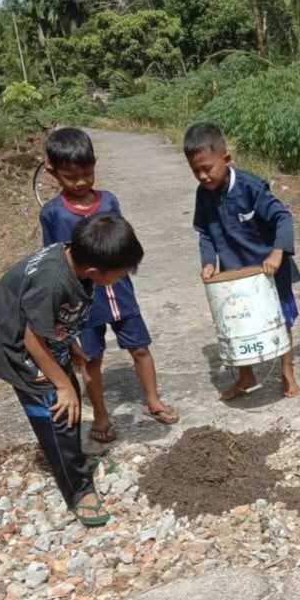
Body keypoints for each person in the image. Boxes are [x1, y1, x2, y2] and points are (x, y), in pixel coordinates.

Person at [0, 213, 143, 526]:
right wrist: (62, 385)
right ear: (96, 271)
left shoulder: (75, 260)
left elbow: (51, 318)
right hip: (19, 349)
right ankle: (78, 489)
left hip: (44, 340)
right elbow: (32, 338)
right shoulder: (53, 283)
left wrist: (68, 342)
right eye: (120, 274)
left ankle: (75, 460)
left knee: (69, 397)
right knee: (58, 412)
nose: (123, 279)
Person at [39, 127, 179, 444]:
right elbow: (53, 264)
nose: (81, 182)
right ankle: (101, 415)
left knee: (140, 348)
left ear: (95, 164)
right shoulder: (52, 213)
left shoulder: (110, 201)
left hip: (122, 294)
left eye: (87, 173)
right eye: (70, 176)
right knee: (91, 359)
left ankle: (153, 400)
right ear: (52, 172)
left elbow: (123, 243)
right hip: (83, 304)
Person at [183, 122, 300, 400]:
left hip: (270, 272)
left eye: (207, 168)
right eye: (195, 171)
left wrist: (276, 253)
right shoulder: (204, 195)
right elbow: (206, 233)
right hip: (234, 274)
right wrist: (208, 262)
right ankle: (246, 377)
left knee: (280, 322)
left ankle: (287, 374)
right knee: (237, 323)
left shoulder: (251, 187)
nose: (203, 176)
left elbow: (282, 218)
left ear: (226, 158)